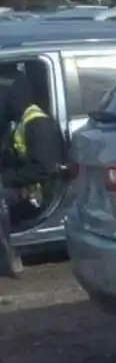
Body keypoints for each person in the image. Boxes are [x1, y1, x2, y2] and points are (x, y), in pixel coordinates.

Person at [1, 72, 62, 279]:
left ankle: (6, 258)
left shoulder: (37, 124)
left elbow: (44, 169)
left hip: (37, 192)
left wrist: (5, 179)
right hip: (25, 185)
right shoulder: (19, 122)